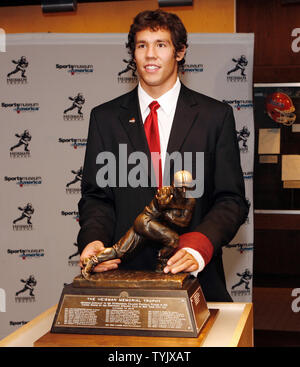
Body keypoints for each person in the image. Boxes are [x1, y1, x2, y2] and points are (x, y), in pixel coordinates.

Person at [77, 9, 249, 302]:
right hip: (123, 284)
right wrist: (95, 240)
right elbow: (97, 197)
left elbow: (230, 200)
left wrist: (198, 245)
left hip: (197, 284)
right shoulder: (104, 118)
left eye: (161, 44)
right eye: (142, 45)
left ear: (179, 52)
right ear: (133, 55)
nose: (150, 55)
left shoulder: (215, 117)